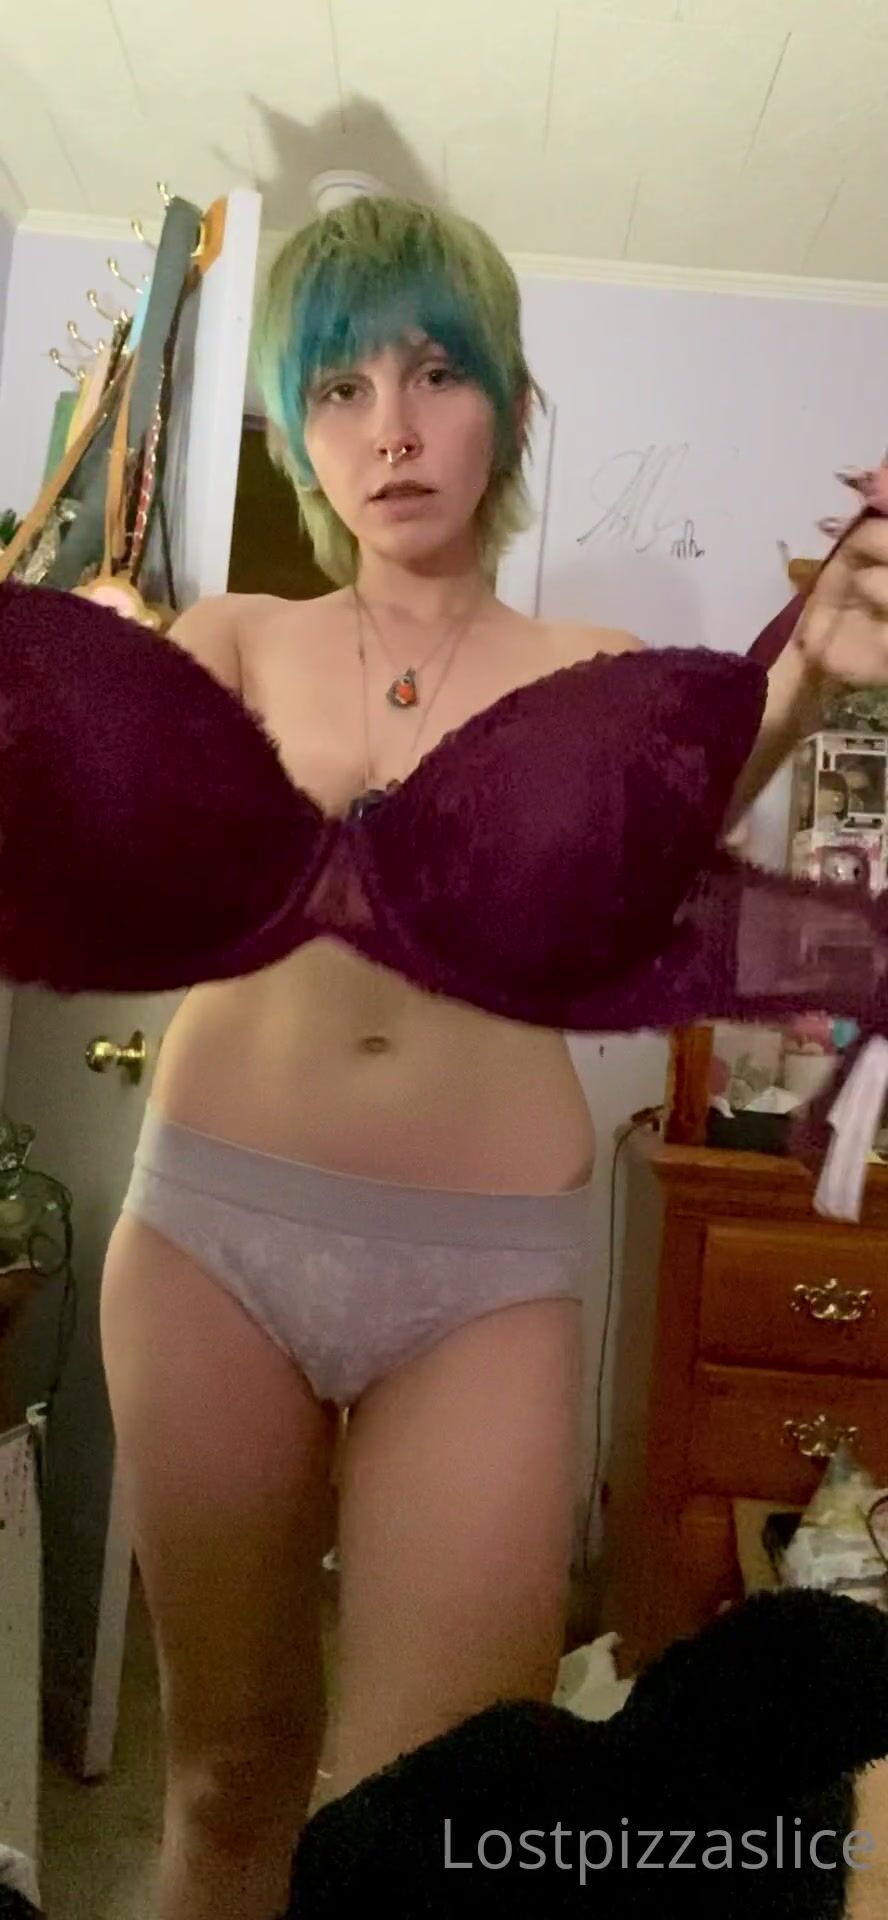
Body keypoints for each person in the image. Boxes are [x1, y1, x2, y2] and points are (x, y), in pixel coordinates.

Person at [93, 196, 888, 1920]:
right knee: (225, 1778)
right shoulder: (230, 640)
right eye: (341, 387)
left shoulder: (600, 678)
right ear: (300, 428)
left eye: (435, 373)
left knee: (438, 1829)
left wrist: (820, 668)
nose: (390, 427)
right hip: (214, 1235)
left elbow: (694, 817)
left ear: (510, 408)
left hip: (483, 1278)